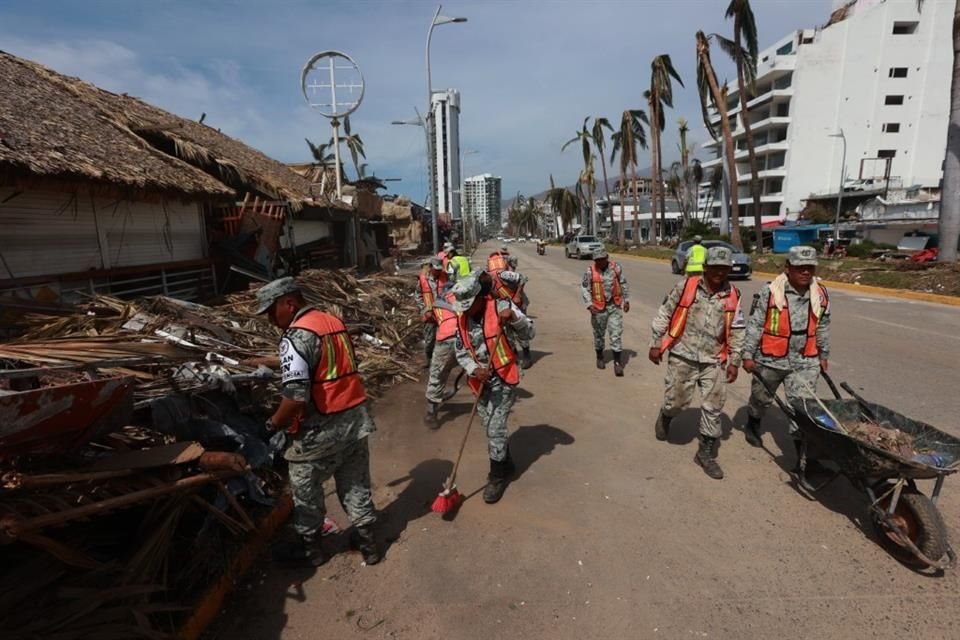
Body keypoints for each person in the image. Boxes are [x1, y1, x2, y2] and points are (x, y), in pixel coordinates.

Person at [257, 277, 380, 567]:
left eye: (272, 311)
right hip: (354, 420)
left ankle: (311, 549)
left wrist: (271, 425)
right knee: (355, 483)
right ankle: (368, 541)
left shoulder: (294, 338)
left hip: (319, 431)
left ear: (289, 302)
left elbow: (295, 399)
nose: (270, 319)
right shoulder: (332, 322)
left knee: (306, 488)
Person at [649, 247, 746, 480]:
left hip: (714, 359)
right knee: (677, 402)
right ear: (705, 268)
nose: (719, 273)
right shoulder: (685, 287)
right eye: (714, 268)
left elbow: (737, 329)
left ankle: (704, 453)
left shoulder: (733, 294)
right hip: (683, 354)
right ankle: (666, 415)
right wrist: (656, 343)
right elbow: (664, 312)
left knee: (713, 407)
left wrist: (735, 360)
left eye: (724, 269)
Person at [741, 245, 831, 462]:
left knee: (803, 408)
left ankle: (804, 458)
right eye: (800, 267)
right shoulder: (770, 292)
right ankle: (753, 423)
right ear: (788, 268)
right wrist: (747, 355)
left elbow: (823, 325)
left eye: (810, 267)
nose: (806, 272)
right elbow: (755, 325)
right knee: (760, 399)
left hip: (804, 360)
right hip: (771, 358)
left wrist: (824, 354)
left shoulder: (820, 293)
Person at [452, 273, 535, 504]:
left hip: (504, 377)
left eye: (470, 304)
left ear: (480, 296)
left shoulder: (501, 306)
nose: (466, 310)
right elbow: (460, 352)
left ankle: (497, 476)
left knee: (495, 428)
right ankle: (506, 463)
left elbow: (529, 333)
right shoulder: (461, 319)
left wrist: (515, 319)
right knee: (488, 425)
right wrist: (473, 369)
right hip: (480, 381)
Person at [580, 249, 630, 376]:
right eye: (597, 260)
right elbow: (585, 288)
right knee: (598, 335)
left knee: (616, 334)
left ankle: (617, 363)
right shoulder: (590, 271)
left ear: (607, 258)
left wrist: (627, 300)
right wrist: (589, 305)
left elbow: (623, 283)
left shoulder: (616, 268)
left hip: (614, 306)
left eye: (601, 259)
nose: (599, 262)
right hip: (598, 308)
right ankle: (600, 356)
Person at [423, 287, 460, 429]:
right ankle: (484, 399)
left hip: (446, 339)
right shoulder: (462, 297)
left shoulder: (436, 303)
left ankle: (431, 413)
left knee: (437, 374)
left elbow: (426, 318)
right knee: (474, 369)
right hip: (465, 338)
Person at [493, 269, 533, 368]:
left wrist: (518, 294)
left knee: (520, 329)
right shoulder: (486, 288)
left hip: (518, 303)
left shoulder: (502, 275)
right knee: (507, 331)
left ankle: (526, 354)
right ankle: (514, 355)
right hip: (505, 307)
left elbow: (523, 278)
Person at [416, 256, 448, 367]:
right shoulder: (423, 280)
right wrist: (424, 309)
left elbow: (451, 294)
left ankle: (441, 360)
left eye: (440, 269)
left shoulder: (446, 278)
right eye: (436, 269)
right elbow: (418, 296)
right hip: (429, 315)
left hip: (443, 314)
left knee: (444, 339)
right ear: (430, 267)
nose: (438, 271)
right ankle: (429, 359)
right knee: (429, 340)